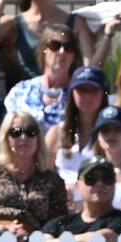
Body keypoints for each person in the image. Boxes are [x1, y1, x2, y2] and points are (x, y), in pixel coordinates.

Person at [0, 109, 67, 242]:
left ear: (38, 139)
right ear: (6, 138)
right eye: (16, 132)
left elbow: (59, 221)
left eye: (30, 132)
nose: (24, 137)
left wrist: (32, 235)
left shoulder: (53, 180)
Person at [40, 155, 121, 242]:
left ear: (114, 184)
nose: (100, 183)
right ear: (78, 185)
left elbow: (100, 241)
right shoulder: (58, 223)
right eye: (91, 178)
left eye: (107, 178)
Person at [3, 23, 81, 132]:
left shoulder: (80, 94)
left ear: (74, 55)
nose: (62, 52)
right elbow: (7, 132)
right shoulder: (20, 91)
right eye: (55, 45)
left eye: (68, 47)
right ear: (44, 50)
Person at [47, 65, 109, 197]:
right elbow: (45, 175)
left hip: (97, 204)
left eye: (94, 90)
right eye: (82, 90)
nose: (88, 96)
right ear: (72, 93)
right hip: (61, 204)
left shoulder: (111, 132)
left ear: (103, 93)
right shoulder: (57, 132)